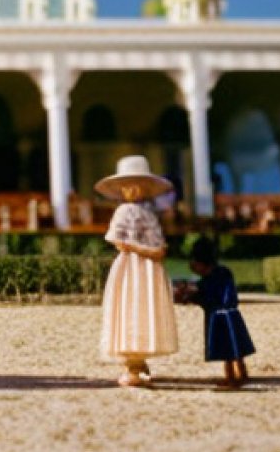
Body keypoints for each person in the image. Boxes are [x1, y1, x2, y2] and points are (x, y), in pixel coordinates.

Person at [95, 155, 179, 387]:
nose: (131, 190)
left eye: (136, 185)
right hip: (132, 265)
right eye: (127, 185)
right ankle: (132, 363)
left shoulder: (148, 213)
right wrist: (144, 249)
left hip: (146, 267)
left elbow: (158, 244)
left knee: (143, 309)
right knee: (131, 309)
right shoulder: (124, 212)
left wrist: (153, 251)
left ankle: (138, 362)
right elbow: (117, 239)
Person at [183, 236, 255, 389]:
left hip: (218, 318)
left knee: (226, 351)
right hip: (232, 314)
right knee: (236, 347)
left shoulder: (207, 281)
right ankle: (242, 373)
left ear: (202, 263)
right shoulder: (223, 272)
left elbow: (204, 297)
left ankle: (231, 379)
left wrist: (190, 296)